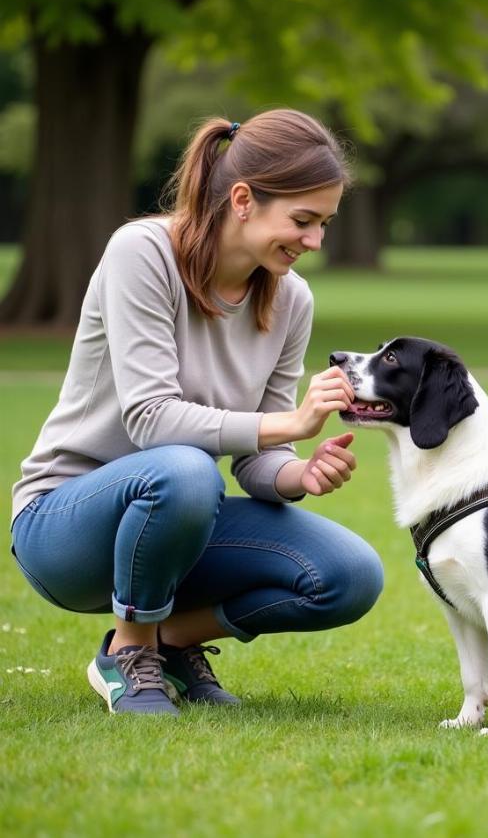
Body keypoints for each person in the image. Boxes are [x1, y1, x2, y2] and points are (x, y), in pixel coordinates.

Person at [9, 110, 384, 716]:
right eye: (302, 221)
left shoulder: (290, 299)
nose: (315, 242)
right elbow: (151, 420)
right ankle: (127, 655)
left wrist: (297, 473)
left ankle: (172, 642)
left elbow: (260, 460)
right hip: (65, 525)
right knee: (183, 470)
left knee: (349, 573)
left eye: (325, 223)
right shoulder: (142, 252)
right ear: (242, 200)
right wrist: (287, 423)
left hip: (182, 519)